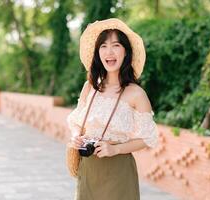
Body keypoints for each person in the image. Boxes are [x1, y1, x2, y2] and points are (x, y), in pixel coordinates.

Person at [66, 18, 159, 200]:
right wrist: (76, 136)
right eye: (103, 46)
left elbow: (148, 138)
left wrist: (115, 149)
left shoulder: (136, 94)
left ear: (126, 52)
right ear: (97, 53)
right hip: (88, 169)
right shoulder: (89, 87)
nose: (109, 52)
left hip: (118, 171)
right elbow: (77, 122)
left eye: (116, 45)